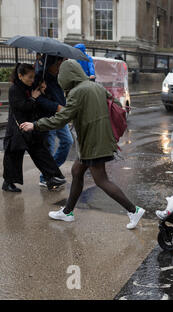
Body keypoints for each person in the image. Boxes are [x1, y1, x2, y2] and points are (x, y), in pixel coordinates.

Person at [20, 60, 145, 230]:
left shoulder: (78, 92)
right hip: (97, 139)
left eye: (61, 75)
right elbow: (115, 104)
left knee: (101, 180)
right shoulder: (95, 86)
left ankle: (133, 210)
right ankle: (67, 212)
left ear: (67, 76)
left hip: (94, 142)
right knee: (77, 171)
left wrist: (35, 125)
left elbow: (62, 118)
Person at [2, 64, 65, 192]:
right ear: (20, 76)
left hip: (30, 127)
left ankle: (52, 177)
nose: (32, 80)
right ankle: (8, 182)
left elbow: (39, 104)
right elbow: (22, 106)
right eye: (29, 77)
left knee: (40, 152)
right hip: (18, 129)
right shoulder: (14, 89)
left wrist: (41, 90)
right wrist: (33, 98)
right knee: (13, 157)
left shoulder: (30, 87)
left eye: (33, 77)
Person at [35, 55, 74, 187]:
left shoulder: (59, 76)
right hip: (47, 117)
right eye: (60, 62)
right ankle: (46, 177)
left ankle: (53, 171)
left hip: (60, 116)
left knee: (68, 141)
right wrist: (56, 106)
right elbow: (38, 99)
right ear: (55, 62)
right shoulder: (40, 77)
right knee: (49, 147)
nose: (62, 64)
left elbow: (61, 95)